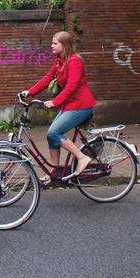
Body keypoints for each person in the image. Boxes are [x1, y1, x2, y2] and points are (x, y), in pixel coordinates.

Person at [20, 30, 97, 180]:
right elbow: (48, 78)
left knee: (53, 133)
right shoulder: (58, 61)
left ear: (65, 45)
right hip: (70, 106)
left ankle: (82, 158)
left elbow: (72, 86)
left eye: (55, 43)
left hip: (81, 106)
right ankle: (55, 172)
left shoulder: (75, 61)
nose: (51, 46)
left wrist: (55, 102)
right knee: (51, 136)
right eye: (52, 43)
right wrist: (30, 92)